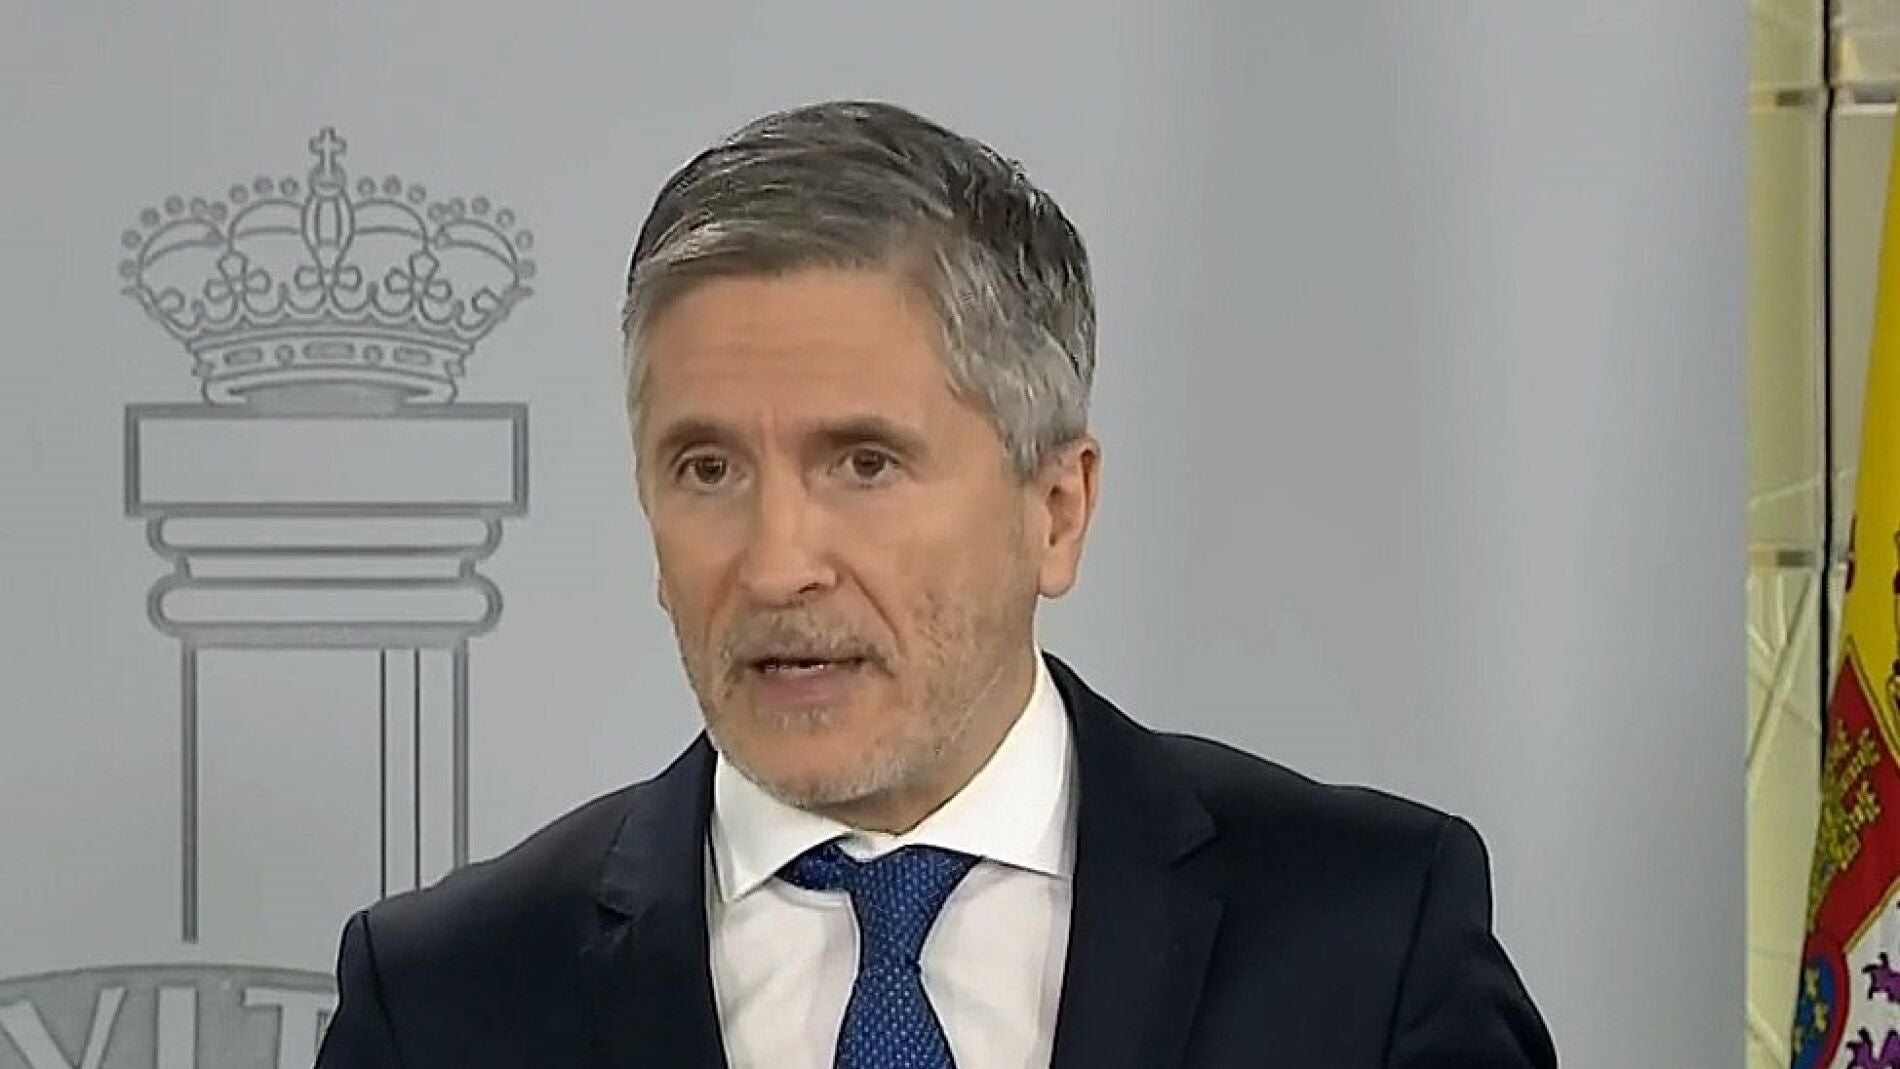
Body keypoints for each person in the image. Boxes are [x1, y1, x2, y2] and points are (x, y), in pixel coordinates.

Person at [315, 100, 1556, 1069]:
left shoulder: (1364, 938)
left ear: (1054, 509)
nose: (777, 561)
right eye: (707, 468)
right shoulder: (445, 998)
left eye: (863, 462)